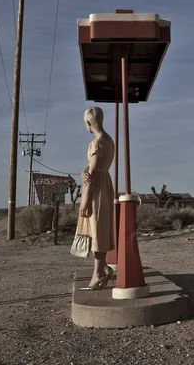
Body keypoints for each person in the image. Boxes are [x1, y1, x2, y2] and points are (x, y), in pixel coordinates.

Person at [76, 106, 116, 289]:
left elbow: (91, 172)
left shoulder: (96, 143)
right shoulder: (109, 140)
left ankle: (99, 272)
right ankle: (102, 268)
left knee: (96, 228)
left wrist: (84, 199)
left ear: (88, 122)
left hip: (96, 188)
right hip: (105, 184)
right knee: (101, 227)